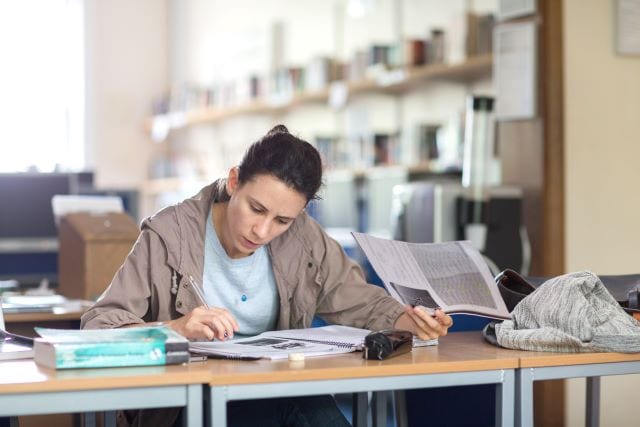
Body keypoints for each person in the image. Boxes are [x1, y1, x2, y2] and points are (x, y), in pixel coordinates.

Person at [81, 124, 453, 427]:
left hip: (275, 389)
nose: (261, 231)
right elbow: (96, 329)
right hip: (188, 404)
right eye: (255, 208)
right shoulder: (169, 234)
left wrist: (407, 319)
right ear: (233, 181)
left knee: (306, 408)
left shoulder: (304, 238)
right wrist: (176, 329)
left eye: (281, 220)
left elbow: (354, 296)